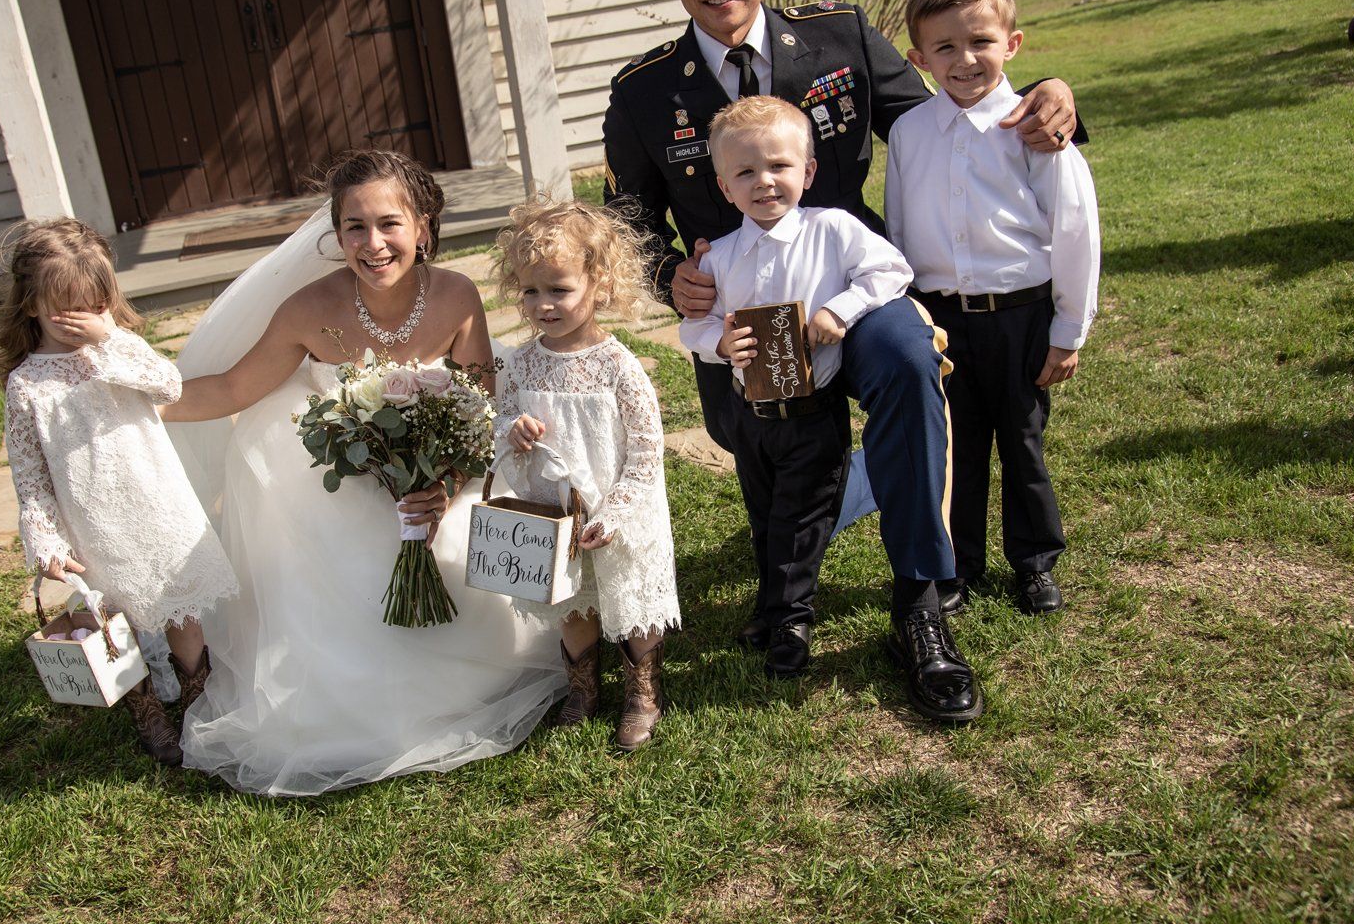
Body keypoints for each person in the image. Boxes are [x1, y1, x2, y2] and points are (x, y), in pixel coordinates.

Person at [603, 0, 1083, 716]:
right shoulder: (641, 92)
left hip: (855, 292)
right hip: (746, 316)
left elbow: (953, 114)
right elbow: (629, 221)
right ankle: (785, 602)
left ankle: (922, 606)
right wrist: (674, 275)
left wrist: (1044, 91)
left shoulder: (840, 39)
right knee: (765, 444)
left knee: (906, 363)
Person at [158, 150, 565, 797]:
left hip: (436, 476)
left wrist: (442, 488)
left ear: (424, 226)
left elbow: (482, 409)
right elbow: (233, 388)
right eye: (354, 227)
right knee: (333, 552)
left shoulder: (457, 297)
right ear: (336, 232)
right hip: (332, 475)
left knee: (463, 547)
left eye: (389, 224)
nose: (372, 244)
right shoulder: (306, 309)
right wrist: (134, 401)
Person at [683, 99, 979, 721]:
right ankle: (772, 612)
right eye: (745, 174)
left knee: (803, 515)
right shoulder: (720, 257)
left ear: (809, 172)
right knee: (766, 513)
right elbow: (695, 326)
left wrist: (839, 311)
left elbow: (890, 269)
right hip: (754, 413)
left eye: (780, 167)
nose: (764, 182)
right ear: (723, 186)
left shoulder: (833, 229)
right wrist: (716, 340)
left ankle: (797, 625)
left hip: (814, 408)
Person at [885, 0, 1100, 618]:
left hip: (1021, 316)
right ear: (919, 59)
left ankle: (1034, 562)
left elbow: (1074, 228)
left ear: (1013, 43)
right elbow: (899, 226)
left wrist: (1067, 332)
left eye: (981, 40)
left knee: (1022, 441)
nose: (965, 59)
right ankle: (961, 565)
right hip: (945, 320)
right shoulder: (908, 134)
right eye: (944, 47)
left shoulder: (1034, 128)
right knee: (959, 447)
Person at [0, 218, 237, 766]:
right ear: (31, 305)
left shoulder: (120, 352)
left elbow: (168, 384)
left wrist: (112, 338)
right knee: (116, 618)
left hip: (157, 502)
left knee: (180, 606)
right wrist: (46, 542)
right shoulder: (28, 385)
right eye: (64, 308)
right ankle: (145, 706)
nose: (81, 321)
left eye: (93, 306)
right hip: (94, 518)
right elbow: (29, 476)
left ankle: (197, 696)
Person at [492, 198, 681, 750]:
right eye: (531, 291)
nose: (543, 305)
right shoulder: (522, 363)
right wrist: (512, 429)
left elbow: (647, 450)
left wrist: (618, 512)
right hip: (557, 513)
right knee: (574, 602)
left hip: (619, 507)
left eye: (559, 289)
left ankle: (642, 692)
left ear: (597, 283)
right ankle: (582, 688)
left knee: (631, 601)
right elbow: (499, 421)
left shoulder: (617, 365)